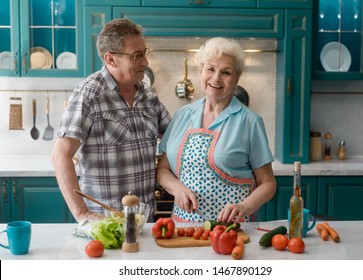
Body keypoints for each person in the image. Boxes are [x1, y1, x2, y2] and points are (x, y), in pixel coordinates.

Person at [51, 18, 171, 222]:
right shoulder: (89, 94)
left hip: (145, 221)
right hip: (105, 223)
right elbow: (60, 156)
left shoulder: (148, 97)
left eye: (145, 53)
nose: (145, 62)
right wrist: (82, 215)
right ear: (111, 59)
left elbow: (176, 138)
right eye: (137, 56)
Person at [156, 37, 276, 223]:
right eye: (210, 69)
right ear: (201, 71)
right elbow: (163, 169)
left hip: (233, 229)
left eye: (226, 72)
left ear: (237, 78)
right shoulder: (182, 115)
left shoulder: (250, 121)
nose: (216, 78)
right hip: (184, 227)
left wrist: (244, 207)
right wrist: (177, 188)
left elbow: (268, 183)